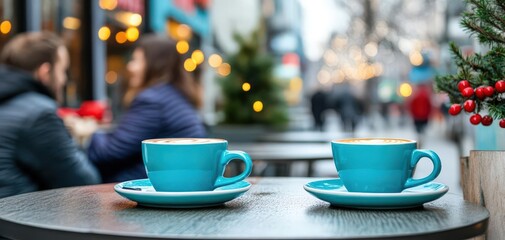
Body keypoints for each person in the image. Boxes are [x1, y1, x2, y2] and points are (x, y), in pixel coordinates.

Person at [86, 34, 207, 183]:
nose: (130, 66)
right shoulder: (173, 95)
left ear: (154, 64)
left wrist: (90, 133)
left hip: (162, 184)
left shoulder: (152, 100)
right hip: (185, 179)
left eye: (136, 60)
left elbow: (109, 152)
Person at [0, 32, 101, 198]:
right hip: (16, 220)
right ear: (45, 72)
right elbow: (85, 182)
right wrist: (75, 136)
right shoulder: (39, 114)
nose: (63, 80)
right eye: (62, 70)